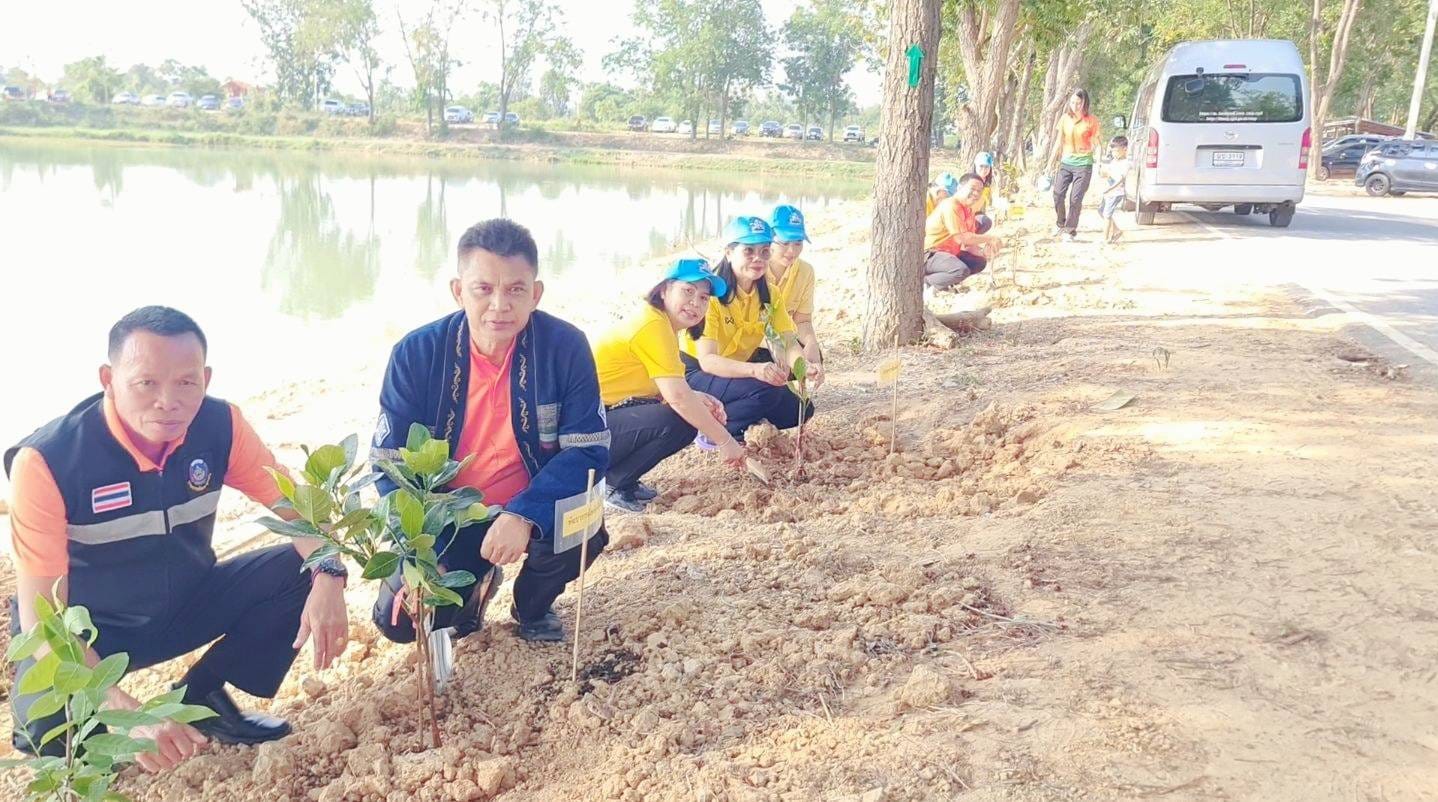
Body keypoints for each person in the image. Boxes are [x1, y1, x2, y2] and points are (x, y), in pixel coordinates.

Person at [5, 306, 349, 769]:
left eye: (186, 382)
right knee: (55, 748)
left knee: (300, 570)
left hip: (185, 601)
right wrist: (125, 712)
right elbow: (43, 619)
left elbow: (299, 509)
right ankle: (97, 731)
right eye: (146, 383)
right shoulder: (48, 462)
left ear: (205, 378)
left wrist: (330, 574)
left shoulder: (221, 425)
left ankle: (200, 701)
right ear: (108, 378)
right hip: (93, 630)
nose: (168, 401)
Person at [369, 218, 608, 645]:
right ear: (458, 290)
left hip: (534, 503)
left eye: (516, 289)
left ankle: (532, 605)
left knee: (584, 525)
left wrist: (525, 513)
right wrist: (419, 552)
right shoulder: (416, 354)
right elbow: (389, 465)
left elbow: (587, 450)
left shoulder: (565, 347)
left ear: (535, 293)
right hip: (451, 515)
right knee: (399, 619)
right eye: (484, 289)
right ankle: (475, 586)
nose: (500, 305)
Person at [593, 258, 744, 512]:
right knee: (683, 419)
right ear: (664, 290)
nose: (696, 303)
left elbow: (668, 387)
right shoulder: (652, 325)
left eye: (704, 298)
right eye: (688, 291)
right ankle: (613, 484)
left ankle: (622, 478)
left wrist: (697, 397)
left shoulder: (663, 325)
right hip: (582, 429)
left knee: (688, 412)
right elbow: (678, 398)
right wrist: (725, 441)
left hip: (603, 415)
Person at [682, 216, 823, 440]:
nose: (758, 259)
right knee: (763, 389)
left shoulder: (769, 293)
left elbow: (786, 340)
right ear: (729, 252)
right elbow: (708, 360)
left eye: (764, 251)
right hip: (697, 371)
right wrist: (755, 371)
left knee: (801, 410)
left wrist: (803, 365)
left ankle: (739, 415)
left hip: (735, 367)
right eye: (748, 251)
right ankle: (710, 431)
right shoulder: (712, 294)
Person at [766, 204, 825, 369]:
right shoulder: (755, 270)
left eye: (798, 243)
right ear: (769, 239)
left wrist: (810, 341)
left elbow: (802, 321)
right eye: (784, 243)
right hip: (756, 341)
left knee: (813, 355)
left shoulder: (805, 272)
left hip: (786, 337)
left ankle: (801, 388)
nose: (792, 251)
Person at [923, 173, 1005, 290]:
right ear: (960, 188)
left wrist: (984, 253)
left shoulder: (968, 210)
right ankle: (924, 283)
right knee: (960, 270)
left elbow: (968, 246)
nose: (976, 193)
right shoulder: (951, 205)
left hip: (947, 253)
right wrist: (990, 238)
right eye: (972, 189)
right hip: (929, 254)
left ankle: (944, 281)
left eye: (979, 191)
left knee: (979, 262)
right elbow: (961, 238)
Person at [1052, 88, 1101, 241]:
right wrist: (1051, 161)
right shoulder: (1065, 118)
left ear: (1084, 103)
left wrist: (1099, 164)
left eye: (1078, 103)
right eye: (1072, 102)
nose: (1075, 106)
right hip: (1066, 162)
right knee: (1058, 194)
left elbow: (1097, 144)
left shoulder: (1091, 120)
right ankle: (1060, 223)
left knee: (1075, 199)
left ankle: (1070, 229)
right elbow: (1058, 141)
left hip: (1083, 165)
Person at [1098, 135, 1131, 244]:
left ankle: (1105, 239)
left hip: (1115, 192)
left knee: (1107, 215)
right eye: (1112, 151)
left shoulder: (1125, 163)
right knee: (1101, 211)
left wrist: (1110, 189)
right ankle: (1116, 231)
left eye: (1116, 151)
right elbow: (1109, 175)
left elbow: (1120, 180)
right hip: (1109, 192)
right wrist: (1103, 173)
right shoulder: (1114, 161)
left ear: (1124, 149)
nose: (1114, 153)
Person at [972, 152, 996, 233]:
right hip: (966, 213)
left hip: (978, 212)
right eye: (981, 166)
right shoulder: (970, 182)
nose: (984, 169)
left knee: (987, 222)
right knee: (986, 222)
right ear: (975, 166)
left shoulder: (987, 184)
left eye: (987, 167)